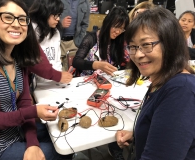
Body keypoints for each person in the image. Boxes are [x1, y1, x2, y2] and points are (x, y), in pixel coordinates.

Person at [0, 0, 71, 159]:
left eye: (22, 19)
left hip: (16, 129)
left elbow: (23, 102)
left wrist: (32, 143)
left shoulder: (17, 57)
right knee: (60, 153)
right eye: (8, 17)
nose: (17, 24)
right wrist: (33, 111)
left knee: (64, 139)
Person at [115, 7, 195, 159]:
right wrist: (139, 134)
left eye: (146, 45)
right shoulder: (161, 80)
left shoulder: (181, 91)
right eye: (133, 46)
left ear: (170, 44)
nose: (138, 54)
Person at [72, 6, 129, 76]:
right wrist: (96, 64)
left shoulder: (118, 40)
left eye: (122, 29)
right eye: (116, 26)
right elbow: (76, 61)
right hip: (88, 79)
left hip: (109, 79)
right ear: (108, 23)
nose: (118, 31)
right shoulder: (91, 38)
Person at [28, 0, 64, 82]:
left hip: (55, 81)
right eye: (55, 15)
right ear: (44, 13)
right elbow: (32, 63)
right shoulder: (31, 30)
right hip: (37, 84)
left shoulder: (55, 32)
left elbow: (57, 60)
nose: (58, 19)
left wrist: (60, 76)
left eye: (59, 15)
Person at [60, 0, 90, 71]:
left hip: (74, 43)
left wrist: (80, 41)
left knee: (72, 73)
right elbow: (48, 19)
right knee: (58, 74)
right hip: (58, 42)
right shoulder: (58, 1)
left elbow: (85, 24)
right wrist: (60, 23)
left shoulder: (85, 2)